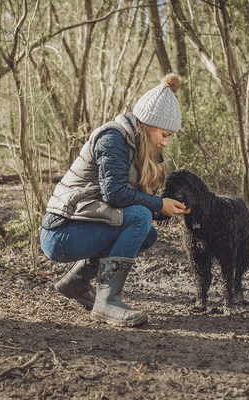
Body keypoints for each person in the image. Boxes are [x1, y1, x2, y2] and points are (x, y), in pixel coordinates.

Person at [40, 73, 190, 327]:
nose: (165, 143)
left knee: (147, 233)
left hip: (84, 223)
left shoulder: (136, 145)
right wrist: (156, 205)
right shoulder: (113, 139)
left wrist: (163, 208)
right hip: (60, 233)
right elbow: (115, 195)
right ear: (149, 124)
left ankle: (76, 281)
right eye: (164, 135)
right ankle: (107, 303)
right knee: (141, 217)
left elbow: (126, 200)